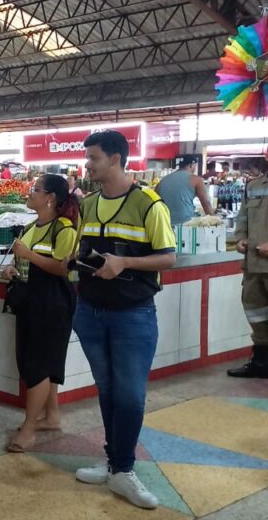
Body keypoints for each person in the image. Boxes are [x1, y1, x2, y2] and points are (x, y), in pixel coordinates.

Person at [72, 130, 176, 510]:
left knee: (130, 394)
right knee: (108, 389)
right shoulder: (89, 204)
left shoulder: (150, 204)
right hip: (90, 312)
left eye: (94, 157)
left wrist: (125, 262)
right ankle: (114, 461)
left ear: (115, 158)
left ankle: (124, 468)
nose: (88, 164)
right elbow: (87, 248)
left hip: (133, 314)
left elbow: (168, 257)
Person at [1, 174, 80, 452]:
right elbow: (19, 259)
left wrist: (29, 256)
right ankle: (52, 417)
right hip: (29, 300)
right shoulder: (32, 226)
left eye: (35, 189)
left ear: (50, 198)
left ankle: (30, 429)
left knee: (38, 365)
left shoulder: (64, 229)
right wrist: (11, 268)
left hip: (53, 302)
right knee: (40, 361)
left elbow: (63, 268)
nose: (29, 192)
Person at [227, 159, 268, 378]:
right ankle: (261, 363)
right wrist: (240, 238)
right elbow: (243, 217)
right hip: (254, 265)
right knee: (256, 313)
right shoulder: (253, 186)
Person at [155, 155, 214, 226]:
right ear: (191, 165)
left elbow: (155, 204)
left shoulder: (162, 181)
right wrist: (214, 220)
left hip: (165, 224)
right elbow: (206, 203)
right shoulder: (196, 180)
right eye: (195, 166)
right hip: (186, 224)